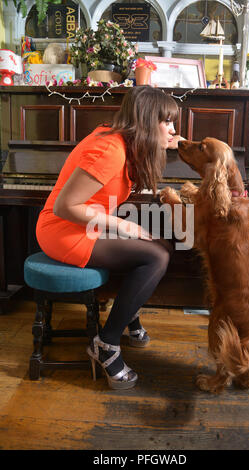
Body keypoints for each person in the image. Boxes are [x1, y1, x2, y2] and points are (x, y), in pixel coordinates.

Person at [36, 85, 180, 390]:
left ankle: (129, 316)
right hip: (63, 231)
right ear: (146, 120)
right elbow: (65, 206)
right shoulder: (110, 149)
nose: (173, 130)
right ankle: (107, 344)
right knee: (156, 256)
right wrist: (121, 226)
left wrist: (164, 144)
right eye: (166, 122)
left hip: (87, 227)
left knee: (161, 245)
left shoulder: (124, 141)